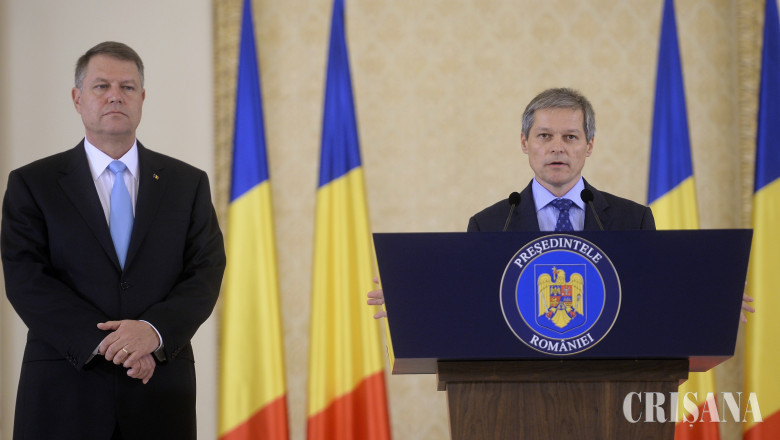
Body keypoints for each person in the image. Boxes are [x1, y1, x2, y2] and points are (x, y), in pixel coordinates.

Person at [367, 87, 754, 320]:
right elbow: (475, 298)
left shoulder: (631, 219)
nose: (557, 147)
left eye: (570, 137)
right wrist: (417, 298)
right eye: (544, 136)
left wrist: (704, 301)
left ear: (589, 145)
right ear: (525, 143)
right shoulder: (491, 224)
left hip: (611, 382)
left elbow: (651, 292)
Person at [1, 41, 226, 439]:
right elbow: (26, 280)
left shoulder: (187, 184)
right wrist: (114, 345)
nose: (115, 96)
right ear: (77, 98)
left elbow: (205, 272)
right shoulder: (33, 184)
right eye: (101, 86)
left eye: (127, 86)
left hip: (159, 390)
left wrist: (153, 331)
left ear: (142, 98)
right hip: (64, 391)